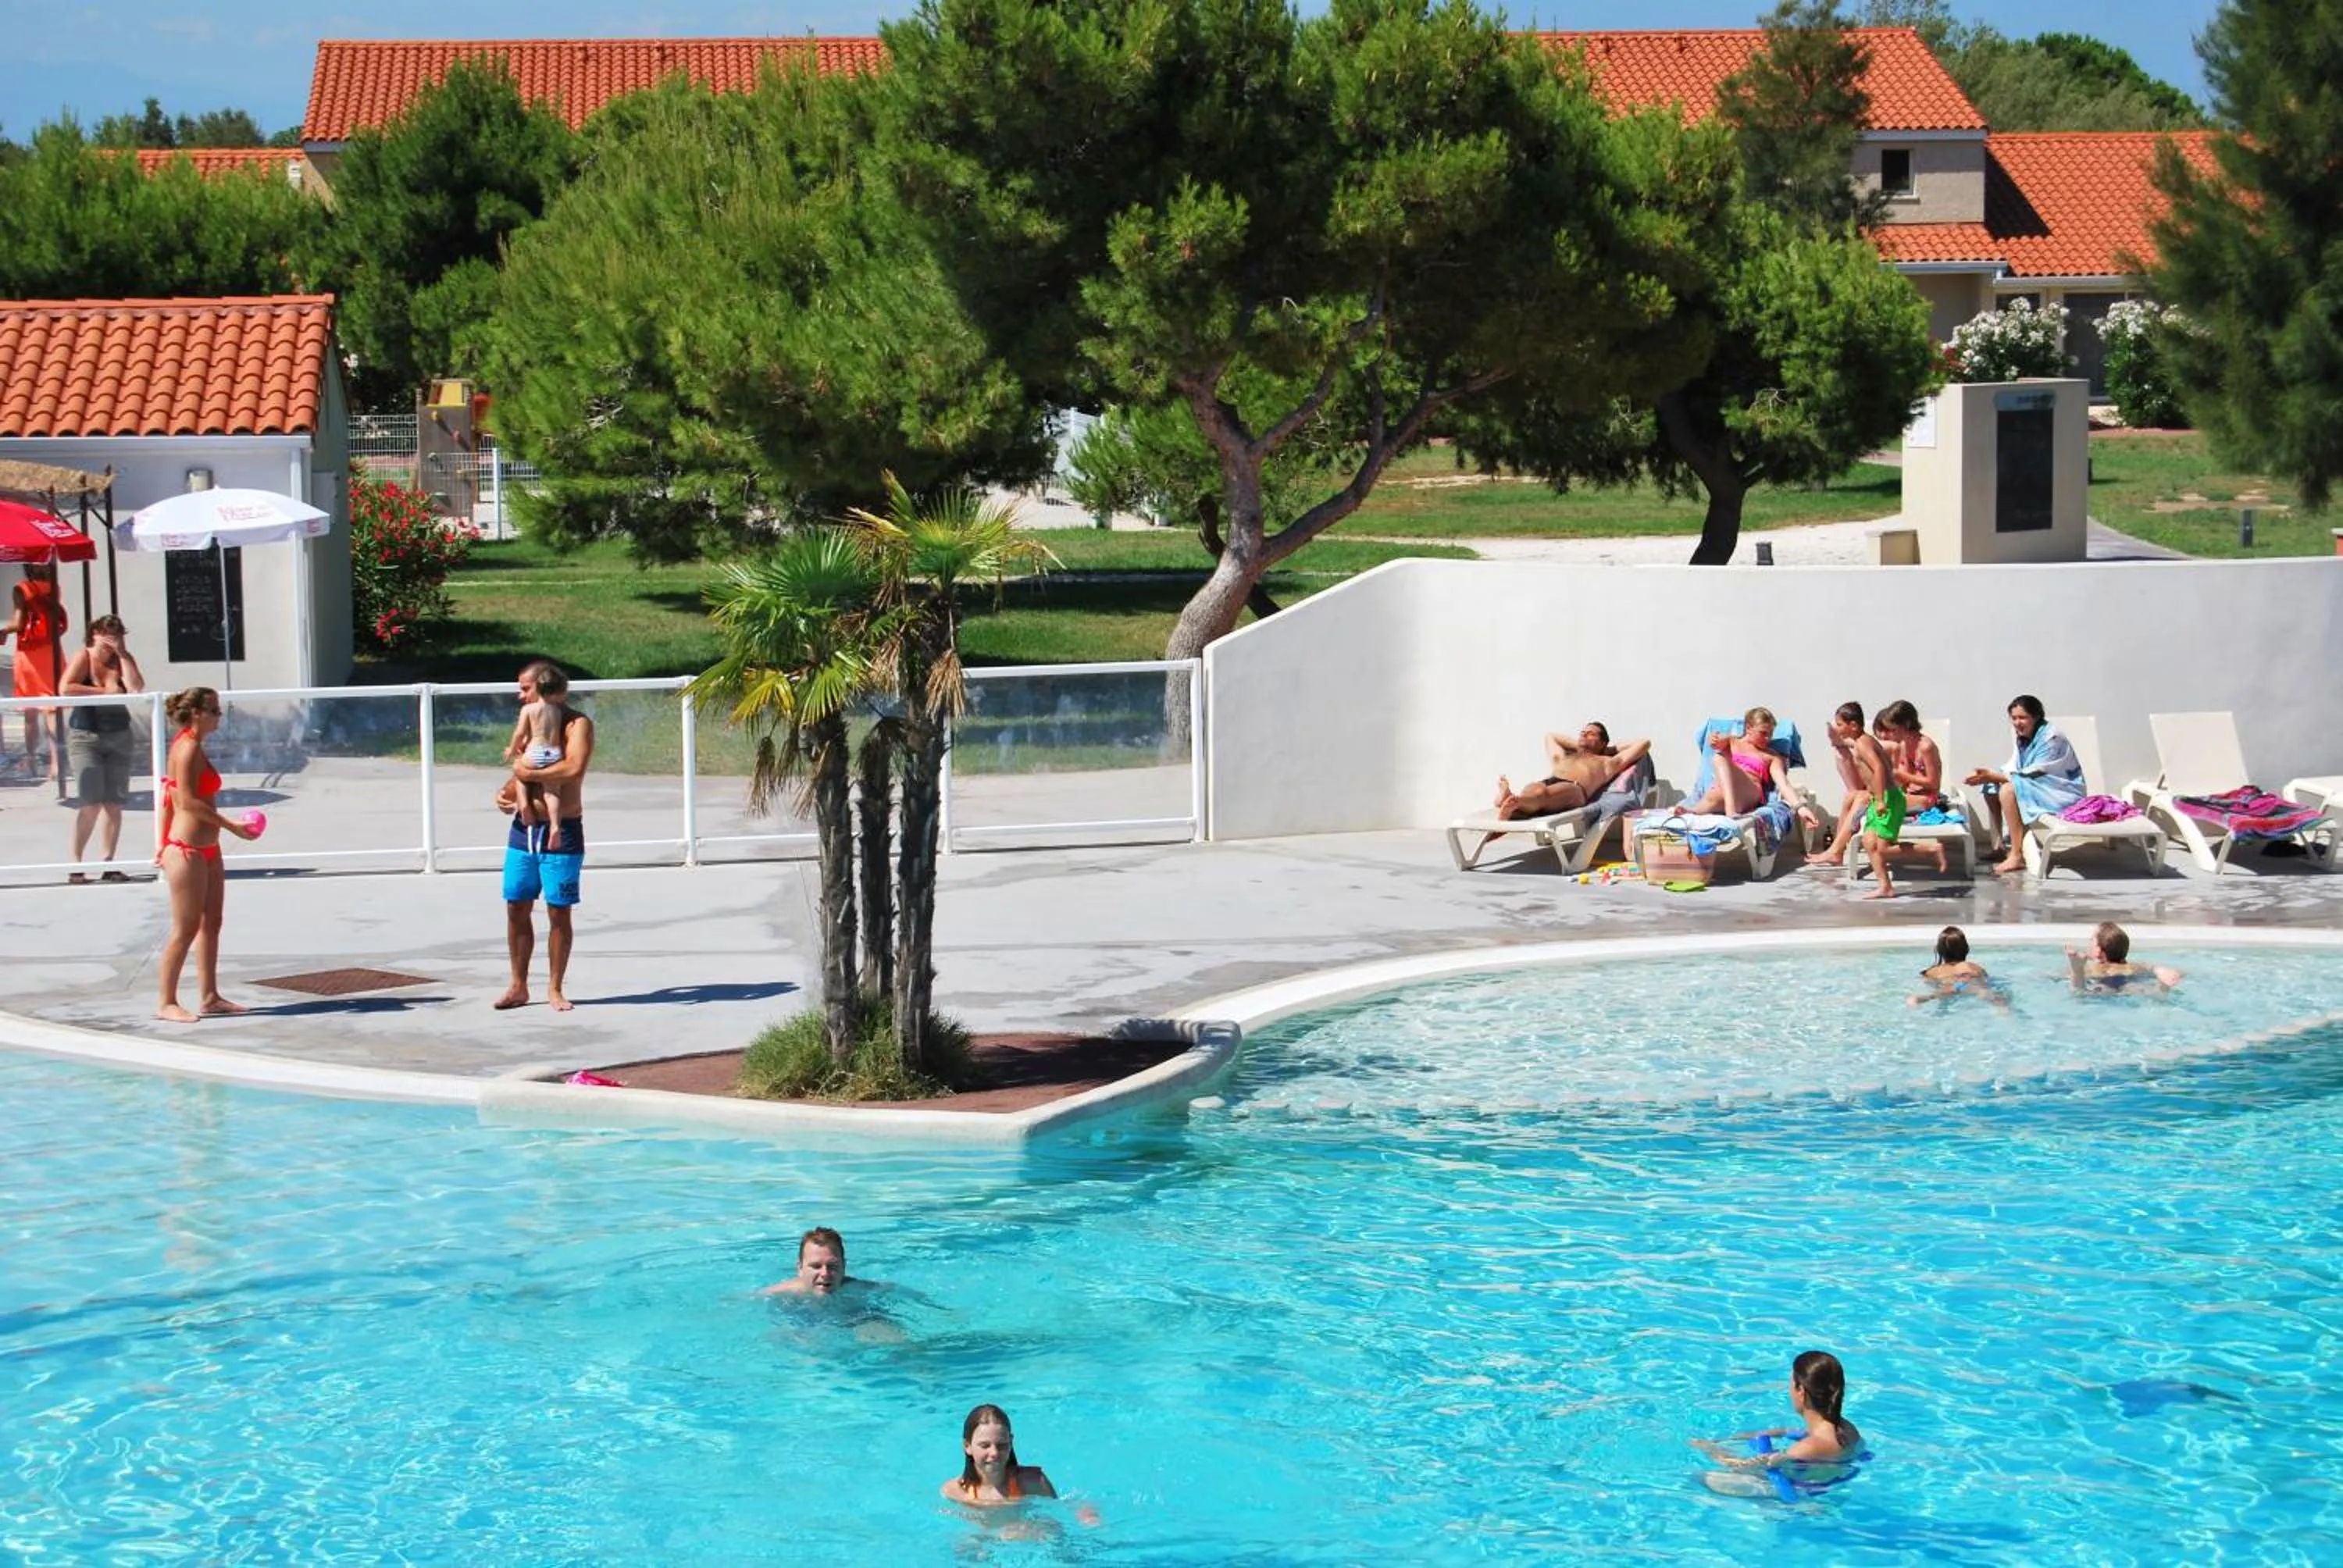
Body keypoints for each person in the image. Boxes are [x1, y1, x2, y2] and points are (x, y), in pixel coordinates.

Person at [154, 686, 259, 1023]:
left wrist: (161, 840)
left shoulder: (195, 746)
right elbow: (185, 801)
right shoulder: (185, 749)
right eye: (214, 710)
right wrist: (232, 826)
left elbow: (169, 798)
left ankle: (210, 996)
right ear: (197, 712)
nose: (219, 716)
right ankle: (166, 1002)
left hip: (207, 850)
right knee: (185, 928)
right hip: (187, 852)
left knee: (212, 923)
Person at [495, 661, 594, 1012]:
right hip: (524, 831)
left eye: (525, 689)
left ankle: (554, 988)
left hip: (562, 831)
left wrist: (524, 769)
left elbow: (573, 768)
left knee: (558, 911)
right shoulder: (533, 723)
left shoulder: (575, 724)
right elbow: (521, 770)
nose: (521, 696)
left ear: (544, 688)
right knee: (516, 905)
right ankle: (518, 985)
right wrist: (507, 790)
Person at [1693, 1349, 1864, 1499]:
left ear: (1801, 1392)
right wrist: (1775, 1433)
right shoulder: (1847, 1429)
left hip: (1803, 1496)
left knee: (1700, 1478)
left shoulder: (1806, 1448)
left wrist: (1710, 1449)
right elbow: (1797, 1433)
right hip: (1832, 1484)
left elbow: (1746, 1468)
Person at [60, 615, 144, 882]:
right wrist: (103, 693)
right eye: (106, 634)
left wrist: (123, 655)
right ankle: (76, 863)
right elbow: (65, 688)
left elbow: (136, 687)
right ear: (94, 633)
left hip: (119, 734)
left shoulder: (122, 659)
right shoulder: (83, 656)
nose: (111, 639)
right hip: (87, 735)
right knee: (90, 802)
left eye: (117, 633)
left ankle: (108, 862)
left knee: (114, 803)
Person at [1964, 695, 2084, 875]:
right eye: (2014, 718)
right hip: (2040, 785)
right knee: (1991, 786)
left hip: (2061, 790)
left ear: (2036, 717)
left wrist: (1994, 776)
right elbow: (2016, 765)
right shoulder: (2023, 736)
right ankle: (1999, 847)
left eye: (2022, 718)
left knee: (2008, 790)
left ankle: (2016, 855)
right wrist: (1989, 776)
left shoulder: (2052, 738)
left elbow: (2037, 772)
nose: (2017, 723)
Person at [942, 1404, 1097, 1524]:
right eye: (985, 1446)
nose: (994, 1453)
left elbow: (1061, 1511)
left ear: (1011, 1442)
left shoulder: (1032, 1482)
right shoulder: (954, 1492)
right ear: (967, 1446)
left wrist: (1087, 1513)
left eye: (1002, 1445)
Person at [1678, 707, 1821, 830]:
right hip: (1724, 793)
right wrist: (1714, 739)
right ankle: (1693, 812)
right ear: (1748, 728)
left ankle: (1730, 812)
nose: (1768, 739)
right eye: (1763, 733)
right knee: (1713, 792)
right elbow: (1716, 743)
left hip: (1750, 792)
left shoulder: (1771, 756)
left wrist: (1800, 808)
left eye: (1771, 734)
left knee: (1719, 758)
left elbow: (1783, 784)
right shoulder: (1732, 742)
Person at [1495, 722, 1653, 820]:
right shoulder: (1564, 757)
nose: (1584, 735)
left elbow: (1644, 743)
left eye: (1590, 734)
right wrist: (1580, 744)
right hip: (1549, 782)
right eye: (1582, 733)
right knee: (1536, 788)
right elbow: (1551, 737)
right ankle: (1513, 803)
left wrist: (1609, 750)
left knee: (1541, 794)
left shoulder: (1607, 763)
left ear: (1602, 742)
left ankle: (1512, 803)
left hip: (1575, 789)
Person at [1807, 702, 1892, 868]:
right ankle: (1836, 852)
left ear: (1853, 725)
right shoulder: (1861, 741)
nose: (1837, 729)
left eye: (1839, 725)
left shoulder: (1863, 743)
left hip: (1888, 797)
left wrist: (1880, 799)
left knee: (1862, 798)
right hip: (1879, 793)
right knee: (1851, 796)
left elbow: (1879, 767)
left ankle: (1835, 851)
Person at [8, 562, 68, 793]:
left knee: (30, 711)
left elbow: (19, 623)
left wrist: (3, 631)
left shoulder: (21, 589)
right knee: (52, 708)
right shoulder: (54, 587)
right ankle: (56, 763)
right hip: (51, 651)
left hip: (29, 653)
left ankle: (32, 759)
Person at [1874, 700, 1950, 874]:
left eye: (1894, 730)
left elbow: (1934, 783)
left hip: (1928, 798)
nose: (1891, 735)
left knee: (1874, 803)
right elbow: (1903, 781)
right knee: (1868, 798)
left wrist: (1902, 776)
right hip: (1908, 795)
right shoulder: (1902, 745)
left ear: (1907, 724)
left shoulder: (1926, 746)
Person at [503, 687, 569, 850]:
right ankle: (555, 825)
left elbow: (520, 733)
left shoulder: (529, 709)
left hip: (536, 751)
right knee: (552, 792)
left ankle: (524, 806)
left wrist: (512, 750)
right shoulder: (557, 711)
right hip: (553, 753)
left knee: (520, 772)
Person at [2068, 922, 2183, 995]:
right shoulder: (2134, 967)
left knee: (2080, 994)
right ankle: (2162, 990)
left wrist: (2076, 971)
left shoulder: (2092, 969)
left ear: (2099, 952)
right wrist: (2161, 971)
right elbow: (2152, 967)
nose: (2089, 944)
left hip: (2103, 986)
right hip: (2130, 984)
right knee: (2147, 993)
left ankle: (2076, 970)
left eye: (2091, 941)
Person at [1909, 925, 2006, 1007]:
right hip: (1971, 982)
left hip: (1950, 986)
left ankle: (1924, 998)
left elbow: (1929, 984)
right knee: (1984, 992)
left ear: (1939, 951)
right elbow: (1987, 981)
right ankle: (2002, 1009)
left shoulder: (1933, 972)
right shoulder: (1974, 967)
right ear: (1967, 949)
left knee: (1941, 994)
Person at [761, 1227, 857, 1296]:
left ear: (844, 1266)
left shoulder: (861, 1290)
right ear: (800, 1268)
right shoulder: (777, 1294)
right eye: (816, 1266)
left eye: (832, 1266)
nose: (825, 1274)